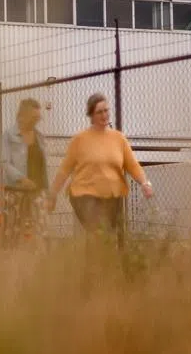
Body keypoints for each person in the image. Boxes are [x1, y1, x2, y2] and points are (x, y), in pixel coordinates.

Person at [46, 92, 153, 248]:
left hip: (111, 196)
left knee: (107, 237)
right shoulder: (80, 140)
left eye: (106, 110)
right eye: (99, 112)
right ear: (91, 115)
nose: (104, 115)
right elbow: (64, 170)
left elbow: (132, 165)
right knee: (98, 231)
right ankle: (95, 270)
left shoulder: (119, 139)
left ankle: (102, 269)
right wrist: (52, 194)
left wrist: (145, 182)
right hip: (85, 195)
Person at [0, 97, 50, 247]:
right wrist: (22, 179)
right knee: (12, 230)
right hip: (16, 190)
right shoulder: (9, 135)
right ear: (23, 115)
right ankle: (9, 261)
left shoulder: (40, 137)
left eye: (38, 117)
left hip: (37, 191)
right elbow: (4, 162)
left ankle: (41, 262)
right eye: (34, 117)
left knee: (42, 229)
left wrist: (47, 192)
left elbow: (43, 166)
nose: (37, 120)